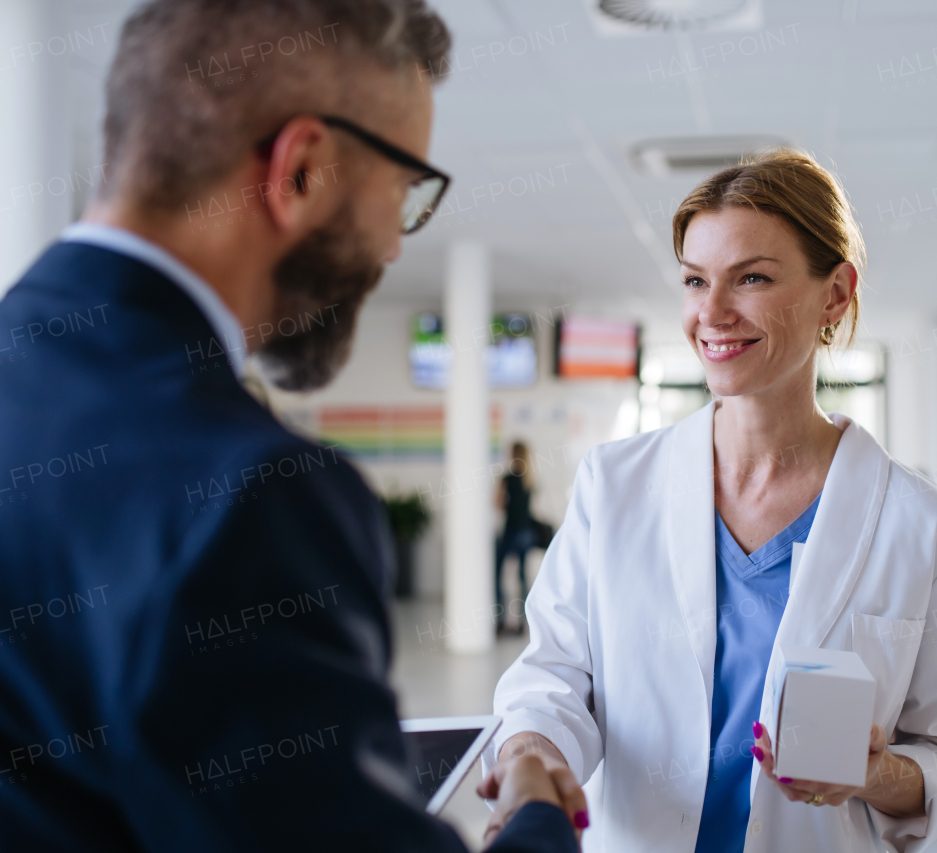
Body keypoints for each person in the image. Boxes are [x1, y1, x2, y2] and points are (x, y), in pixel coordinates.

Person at [0, 1, 583, 850]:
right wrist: (537, 809)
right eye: (404, 192)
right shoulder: (246, 497)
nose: (392, 246)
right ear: (302, 169)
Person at [484, 150, 937, 851]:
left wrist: (874, 773)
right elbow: (556, 673)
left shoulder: (919, 523)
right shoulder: (614, 484)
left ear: (835, 294)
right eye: (696, 280)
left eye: (751, 277)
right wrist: (531, 755)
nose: (712, 312)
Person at [495, 441, 538, 633]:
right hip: (527, 532)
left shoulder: (507, 478)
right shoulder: (530, 479)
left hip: (511, 530)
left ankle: (501, 621)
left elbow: (496, 502)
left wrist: (506, 506)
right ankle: (522, 623)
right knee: (522, 577)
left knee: (497, 575)